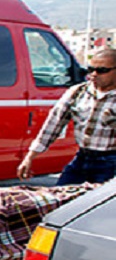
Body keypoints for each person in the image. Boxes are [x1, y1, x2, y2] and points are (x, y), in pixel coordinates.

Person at [18, 49, 116, 185]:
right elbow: (53, 125)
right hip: (82, 157)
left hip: (111, 161)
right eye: (90, 69)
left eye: (102, 70)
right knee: (61, 192)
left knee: (101, 198)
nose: (94, 74)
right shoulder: (77, 92)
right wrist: (30, 157)